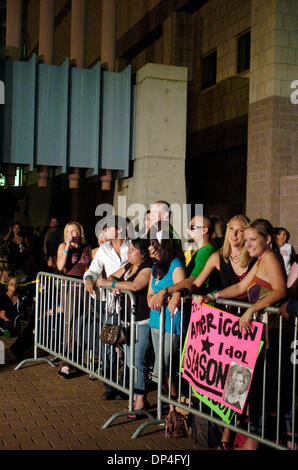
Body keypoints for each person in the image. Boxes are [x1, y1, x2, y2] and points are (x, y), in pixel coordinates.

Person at [198, 218, 287, 450]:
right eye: (246, 240)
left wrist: (251, 310)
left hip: (269, 335)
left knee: (259, 390)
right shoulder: (260, 261)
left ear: (268, 240)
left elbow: (280, 290)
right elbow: (239, 287)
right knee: (248, 387)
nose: (248, 244)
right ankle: (243, 440)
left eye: (253, 239)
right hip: (256, 335)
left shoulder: (270, 257)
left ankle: (251, 444)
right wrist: (213, 297)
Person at [97, 238, 152, 417]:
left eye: (133, 250)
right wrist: (114, 283)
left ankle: (141, 401)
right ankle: (136, 398)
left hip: (142, 321)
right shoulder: (129, 266)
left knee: (137, 361)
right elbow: (112, 275)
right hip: (127, 320)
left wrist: (112, 284)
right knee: (129, 361)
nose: (128, 253)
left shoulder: (147, 269)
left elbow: (135, 286)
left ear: (142, 254)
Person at [84, 215, 130, 400]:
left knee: (130, 346)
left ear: (119, 229)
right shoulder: (104, 249)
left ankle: (128, 385)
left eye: (107, 228)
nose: (104, 231)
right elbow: (94, 269)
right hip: (113, 306)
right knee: (109, 343)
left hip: (133, 304)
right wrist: (88, 279)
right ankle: (110, 385)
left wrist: (118, 283)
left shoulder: (133, 246)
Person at [147, 234, 186, 400]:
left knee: (165, 363)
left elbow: (181, 287)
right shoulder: (155, 266)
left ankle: (175, 402)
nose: (149, 248)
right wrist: (152, 300)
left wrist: (168, 294)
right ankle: (170, 404)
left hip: (171, 320)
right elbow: (150, 293)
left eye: (153, 244)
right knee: (163, 365)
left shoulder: (176, 265)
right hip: (155, 319)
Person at [149, 215, 217, 308]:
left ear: (204, 230)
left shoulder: (207, 251)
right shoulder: (199, 251)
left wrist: (165, 291)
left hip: (207, 308)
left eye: (192, 227)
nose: (187, 231)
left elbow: (193, 280)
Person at [56, 222, 92, 378]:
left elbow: (90, 266)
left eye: (74, 230)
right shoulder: (63, 246)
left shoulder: (87, 247)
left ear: (79, 232)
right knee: (69, 323)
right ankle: (65, 361)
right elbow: (60, 266)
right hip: (69, 287)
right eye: (68, 231)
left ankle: (77, 358)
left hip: (83, 288)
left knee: (82, 323)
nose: (71, 233)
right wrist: (67, 248)